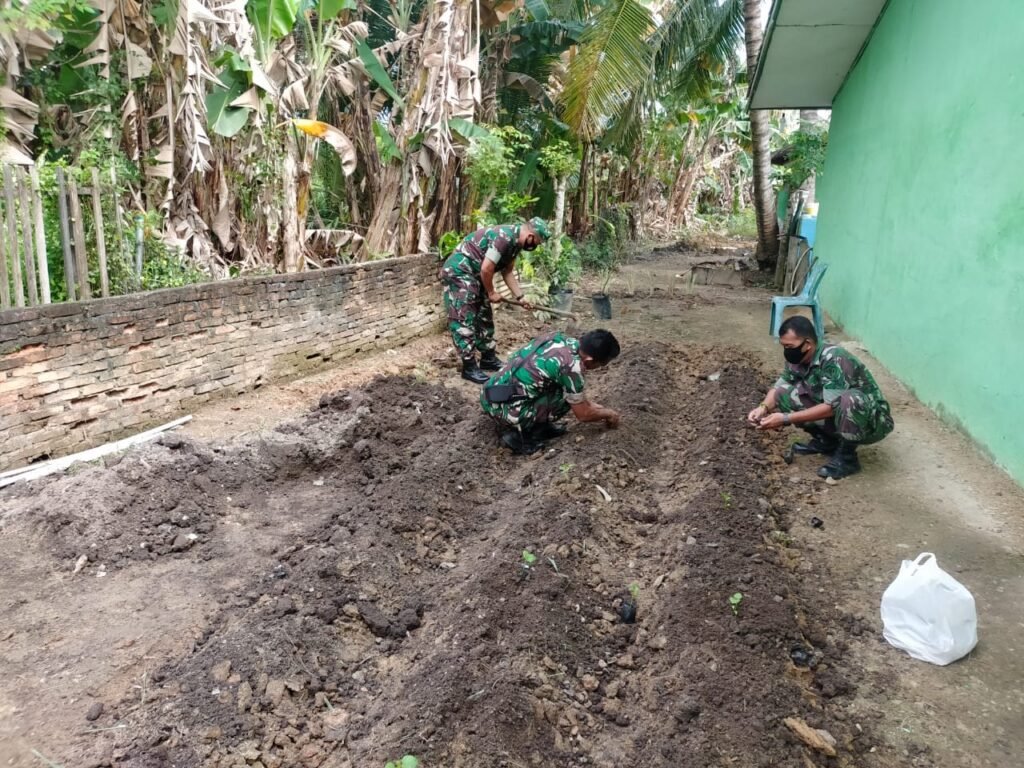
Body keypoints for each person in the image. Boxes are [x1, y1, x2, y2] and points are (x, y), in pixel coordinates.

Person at [747, 315, 894, 479]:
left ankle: (847, 458)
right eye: (784, 346)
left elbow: (831, 407)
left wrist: (786, 418)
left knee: (850, 399)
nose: (787, 351)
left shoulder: (834, 358)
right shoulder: (796, 358)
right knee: (784, 393)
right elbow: (777, 389)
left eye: (789, 346)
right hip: (838, 413)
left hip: (872, 421)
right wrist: (762, 408)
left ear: (808, 344)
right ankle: (827, 442)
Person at [440, 217, 552, 384]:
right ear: (530, 236)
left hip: (476, 275)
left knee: (484, 315)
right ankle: (469, 367)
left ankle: (488, 358)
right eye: (537, 241)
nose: (536, 245)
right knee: (463, 318)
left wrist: (520, 297)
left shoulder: (516, 244)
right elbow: (487, 268)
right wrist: (491, 292)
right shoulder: (504, 238)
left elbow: (507, 272)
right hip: (460, 271)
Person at [480, 329, 622, 455]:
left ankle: (540, 426)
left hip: (492, 393)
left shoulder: (558, 338)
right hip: (504, 410)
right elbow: (583, 415)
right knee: (566, 398)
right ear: (589, 360)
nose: (599, 367)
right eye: (601, 364)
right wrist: (609, 414)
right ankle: (519, 437)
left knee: (564, 389)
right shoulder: (572, 367)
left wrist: (590, 405)